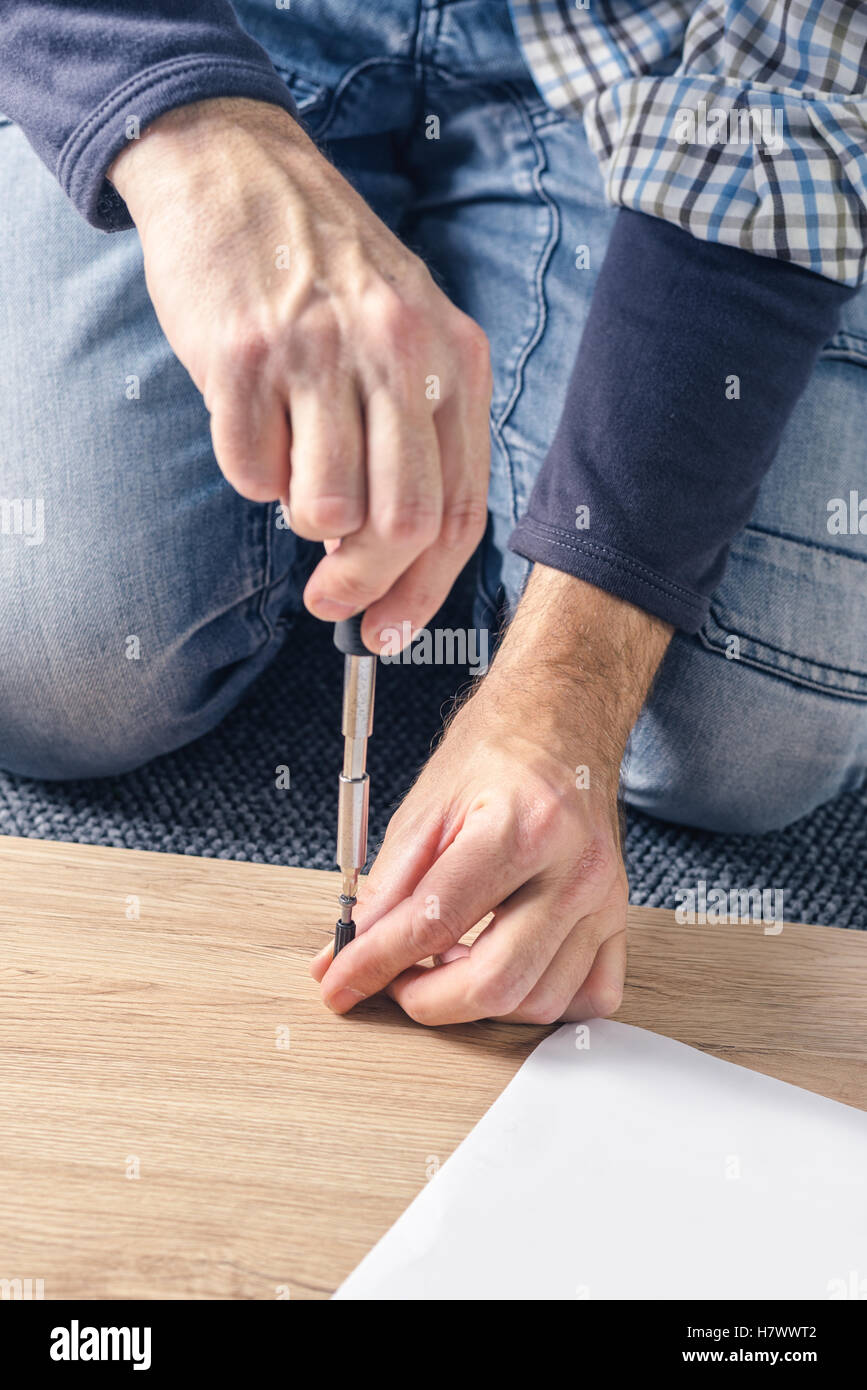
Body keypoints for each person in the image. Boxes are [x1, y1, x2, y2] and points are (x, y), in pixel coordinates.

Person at [1, 2, 865, 1026]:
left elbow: (785, 72)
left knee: (742, 739)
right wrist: (186, 123)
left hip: (641, 51)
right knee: (59, 665)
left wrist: (568, 691)